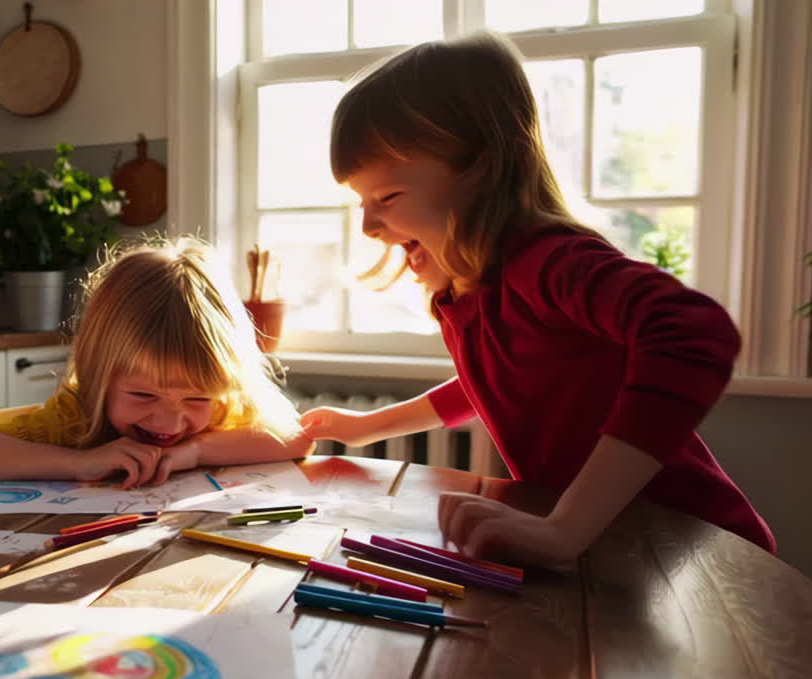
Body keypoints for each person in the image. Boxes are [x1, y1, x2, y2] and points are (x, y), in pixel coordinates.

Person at [300, 32, 775, 571]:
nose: (368, 226)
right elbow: (488, 382)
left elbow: (692, 330)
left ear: (481, 173)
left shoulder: (547, 259)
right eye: (361, 201)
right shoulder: (474, 293)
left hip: (694, 547)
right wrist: (367, 426)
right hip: (619, 548)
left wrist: (564, 529)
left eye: (387, 197)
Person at [0, 236, 312, 487]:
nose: (168, 423)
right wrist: (81, 463)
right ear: (98, 374)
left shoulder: (223, 410)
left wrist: (197, 450)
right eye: (144, 395)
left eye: (197, 399)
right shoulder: (77, 416)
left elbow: (299, 437)